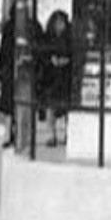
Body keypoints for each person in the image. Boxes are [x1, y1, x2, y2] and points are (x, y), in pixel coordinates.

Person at [39, 10, 73, 147]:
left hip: (65, 76)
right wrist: (51, 60)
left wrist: (67, 60)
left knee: (67, 106)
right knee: (51, 107)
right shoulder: (48, 37)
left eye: (61, 23)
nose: (59, 26)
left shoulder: (70, 38)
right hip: (51, 76)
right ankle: (51, 135)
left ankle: (68, 133)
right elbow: (42, 54)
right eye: (57, 23)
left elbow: (75, 53)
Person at [0, 15, 15, 148]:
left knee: (9, 106)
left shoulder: (8, 27)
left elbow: (3, 50)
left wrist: (0, 69)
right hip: (12, 71)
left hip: (9, 71)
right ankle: (11, 132)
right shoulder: (31, 24)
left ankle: (9, 133)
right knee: (10, 106)